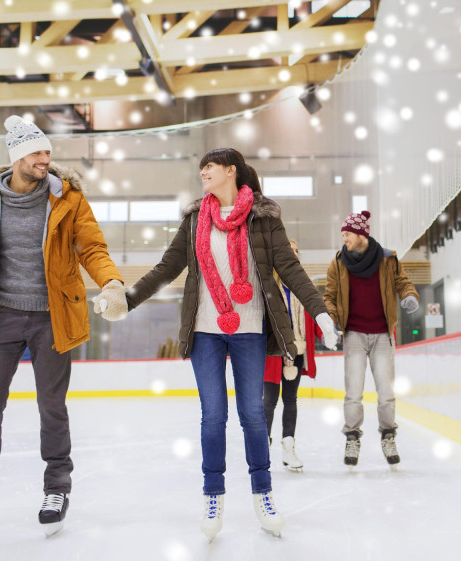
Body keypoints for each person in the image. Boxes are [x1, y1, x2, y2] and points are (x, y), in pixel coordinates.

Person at [125, 148, 337, 542]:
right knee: (213, 415)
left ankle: (263, 493)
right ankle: (213, 495)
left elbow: (289, 268)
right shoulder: (194, 221)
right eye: (201, 166)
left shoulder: (263, 218)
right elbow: (166, 268)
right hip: (205, 329)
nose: (203, 172)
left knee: (253, 415)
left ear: (230, 171)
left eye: (210, 166)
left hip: (250, 327)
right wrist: (127, 298)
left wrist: (320, 312)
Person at [0, 115, 127, 541]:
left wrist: (112, 283)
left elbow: (91, 246)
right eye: (38, 153)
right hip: (0, 315)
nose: (46, 159)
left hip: (52, 317)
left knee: (52, 407)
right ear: (17, 157)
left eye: (48, 152)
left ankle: (56, 489)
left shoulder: (67, 198)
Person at [323, 210, 419, 469]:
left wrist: (409, 295)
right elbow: (330, 296)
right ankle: (352, 437)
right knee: (353, 392)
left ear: (361, 234)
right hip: (353, 334)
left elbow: (403, 282)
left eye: (347, 234)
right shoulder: (338, 262)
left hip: (382, 335)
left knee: (386, 393)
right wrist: (331, 318)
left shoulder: (388, 259)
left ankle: (389, 436)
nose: (344, 239)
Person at [262, 240, 324, 471]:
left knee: (290, 400)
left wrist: (325, 332)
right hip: (272, 351)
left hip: (297, 351)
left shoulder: (303, 285)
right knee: (269, 401)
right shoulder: (268, 285)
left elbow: (315, 312)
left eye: (298, 250)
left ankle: (288, 448)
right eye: (291, 250)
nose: (295, 254)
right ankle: (262, 448)